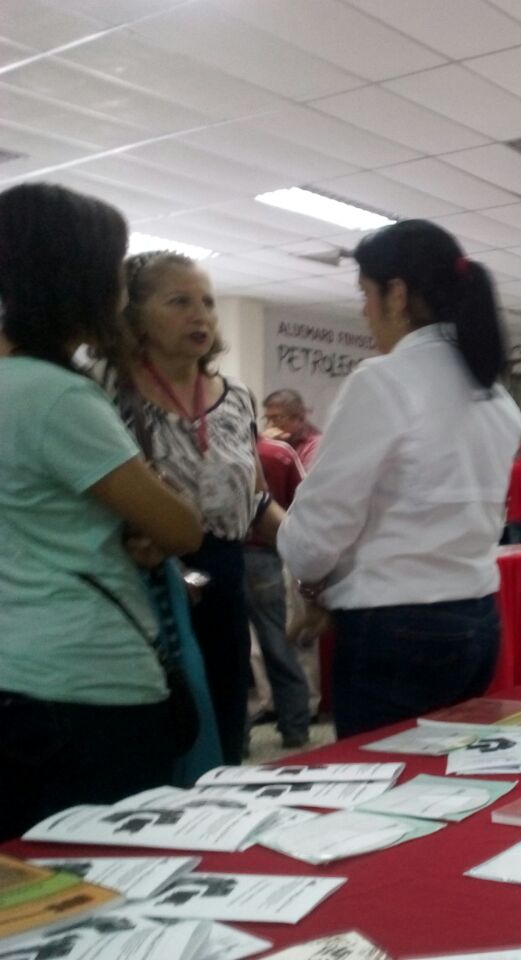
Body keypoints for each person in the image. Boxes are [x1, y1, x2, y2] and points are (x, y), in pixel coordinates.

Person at [0, 183, 203, 838]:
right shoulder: (57, 396)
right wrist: (144, 521)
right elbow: (180, 527)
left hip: (13, 671)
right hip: (83, 679)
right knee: (112, 868)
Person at [278, 219, 521, 739]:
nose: (364, 312)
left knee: (387, 776)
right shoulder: (497, 396)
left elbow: (319, 530)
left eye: (365, 294)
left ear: (397, 294)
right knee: (454, 771)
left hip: (397, 627)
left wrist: (307, 579)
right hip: (478, 616)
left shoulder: (383, 381)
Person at [111, 250, 284, 766]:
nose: (201, 316)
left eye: (207, 303)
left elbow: (254, 498)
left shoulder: (237, 397)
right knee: (162, 731)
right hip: (146, 578)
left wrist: (313, 552)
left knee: (226, 721)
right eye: (179, 302)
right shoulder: (107, 391)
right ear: (135, 314)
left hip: (225, 578)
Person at [245, 432, 311, 749]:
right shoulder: (278, 453)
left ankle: (235, 735)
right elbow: (305, 498)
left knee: (230, 649)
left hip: (220, 552)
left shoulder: (206, 448)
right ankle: (295, 726)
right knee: (277, 642)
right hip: (264, 554)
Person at [262, 388, 322, 469]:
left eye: (277, 418)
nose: (270, 425)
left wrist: (277, 450)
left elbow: (303, 476)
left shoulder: (315, 445)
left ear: (299, 418)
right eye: (267, 419)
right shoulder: (274, 441)